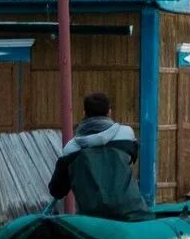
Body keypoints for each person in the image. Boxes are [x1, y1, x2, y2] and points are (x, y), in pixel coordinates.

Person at [48, 92, 153, 221]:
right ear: (109, 112)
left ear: (84, 113)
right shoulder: (126, 135)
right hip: (131, 212)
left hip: (92, 219)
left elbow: (57, 190)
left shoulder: (71, 148)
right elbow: (132, 159)